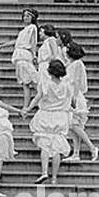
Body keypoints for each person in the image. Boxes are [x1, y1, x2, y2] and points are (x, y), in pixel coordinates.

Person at [26, 58, 74, 187]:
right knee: (57, 147)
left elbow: (37, 97)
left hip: (46, 114)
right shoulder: (66, 85)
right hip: (60, 116)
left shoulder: (45, 84)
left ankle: (44, 171)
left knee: (45, 145)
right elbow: (71, 99)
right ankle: (54, 178)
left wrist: (28, 109)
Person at [63, 41, 99, 163]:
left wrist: (73, 98)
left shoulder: (77, 64)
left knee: (74, 125)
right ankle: (76, 153)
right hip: (69, 95)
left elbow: (77, 82)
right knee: (73, 127)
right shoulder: (70, 64)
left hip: (75, 96)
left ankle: (92, 147)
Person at [1, 7, 40, 113]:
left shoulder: (32, 28)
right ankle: (25, 106)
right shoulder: (23, 30)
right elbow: (16, 41)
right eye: (24, 16)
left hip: (25, 55)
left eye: (28, 16)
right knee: (25, 83)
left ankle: (44, 99)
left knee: (34, 80)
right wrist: (2, 46)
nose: (25, 17)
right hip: (19, 56)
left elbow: (33, 42)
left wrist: (34, 55)